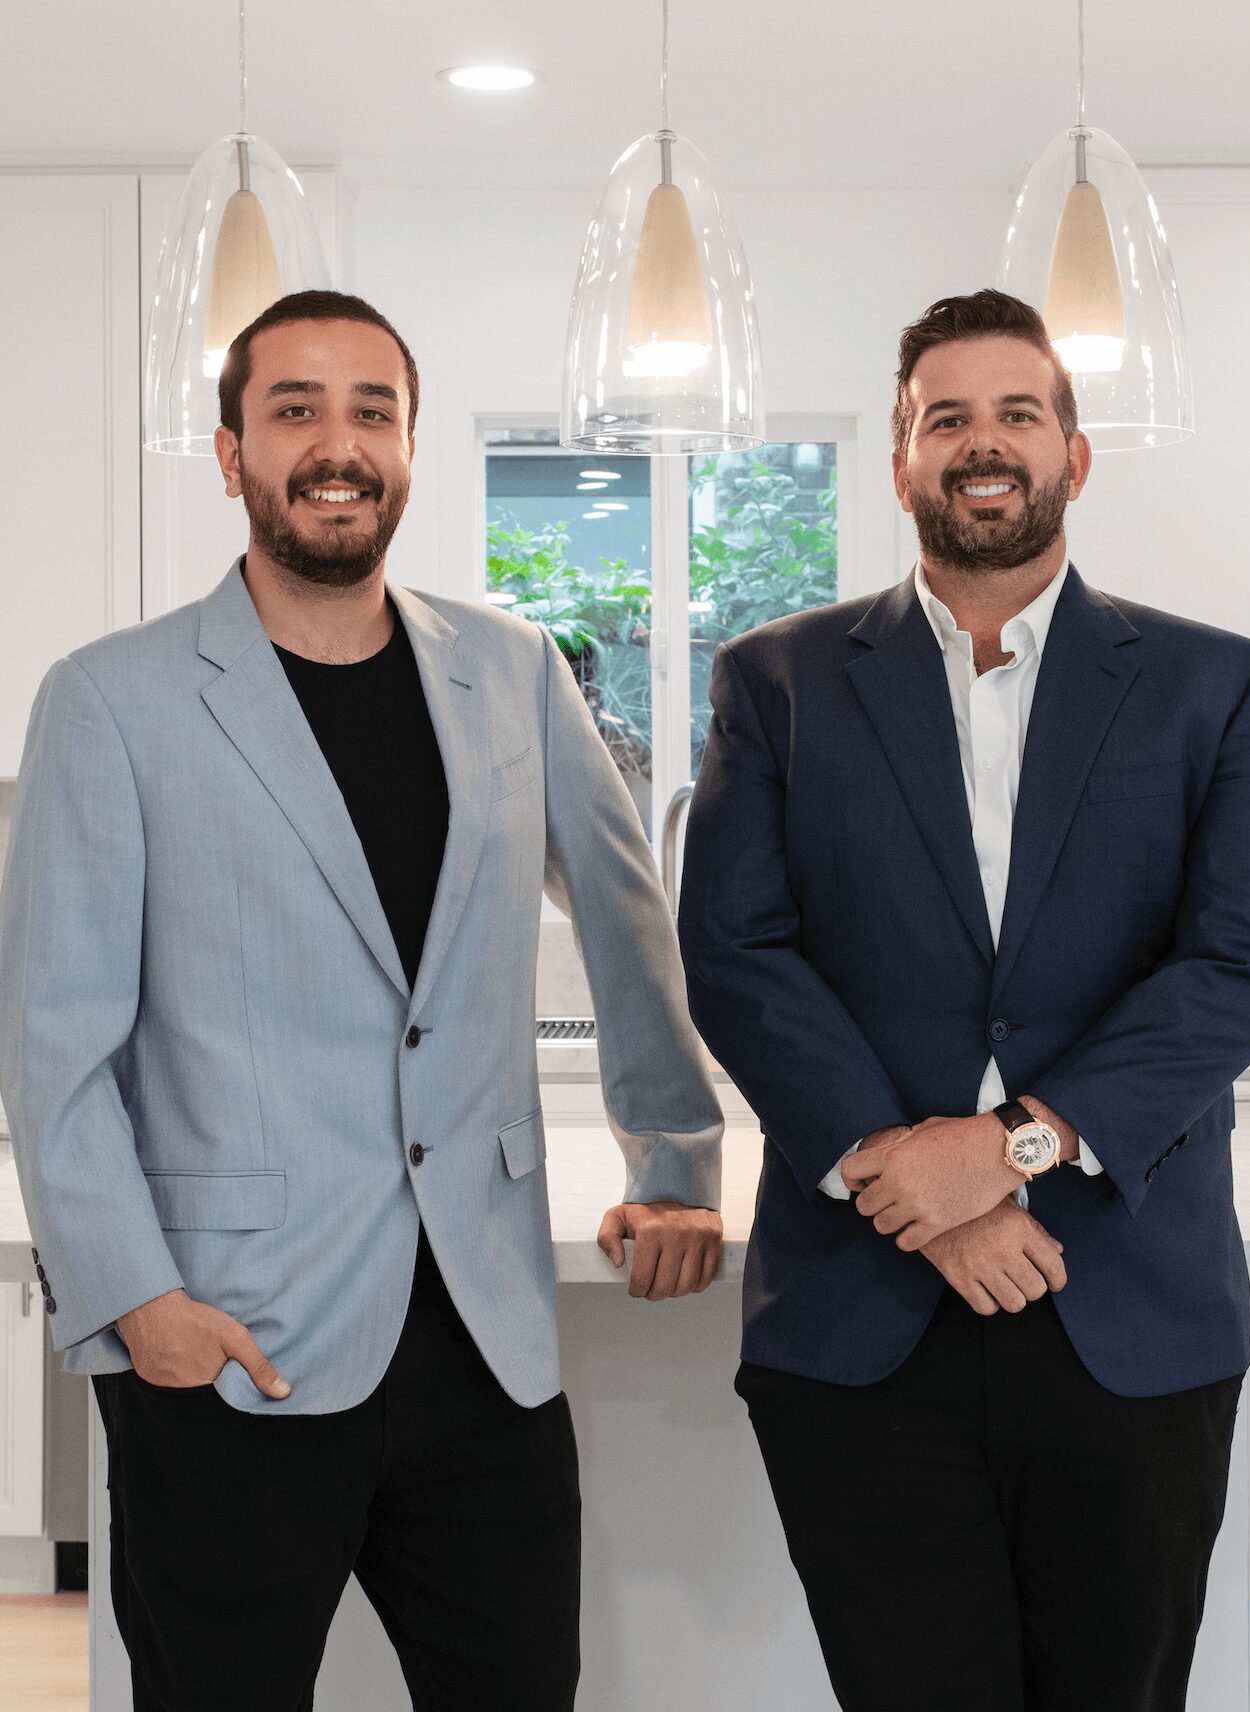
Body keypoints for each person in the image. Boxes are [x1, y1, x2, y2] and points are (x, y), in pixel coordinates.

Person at [0, 289, 723, 1712]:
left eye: (371, 411)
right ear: (230, 455)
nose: (338, 444)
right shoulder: (113, 700)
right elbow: (54, 1044)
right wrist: (137, 1299)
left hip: (486, 1341)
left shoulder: (511, 669)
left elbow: (628, 925)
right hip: (229, 1343)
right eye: (295, 410)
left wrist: (678, 1160)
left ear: (404, 449)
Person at [677, 288, 1250, 1712]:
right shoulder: (777, 682)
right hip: (859, 1314)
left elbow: (1240, 963)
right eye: (942, 417)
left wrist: (1004, 1148)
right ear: (898, 462)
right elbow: (738, 954)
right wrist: (914, 1188)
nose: (981, 441)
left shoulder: (1223, 685)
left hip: (1126, 1309)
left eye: (1018, 412)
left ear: (1075, 454)